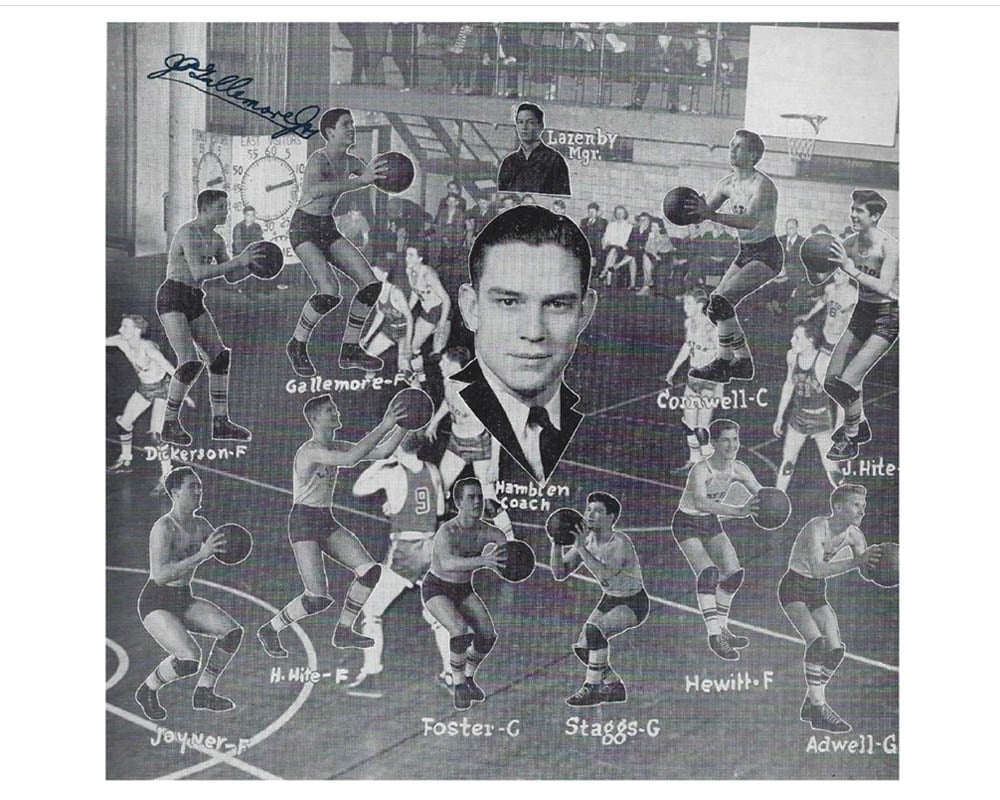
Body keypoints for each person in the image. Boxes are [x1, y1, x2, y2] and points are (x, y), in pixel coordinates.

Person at [256, 394, 407, 658]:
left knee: (370, 571)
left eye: (335, 407)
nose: (336, 411)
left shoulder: (337, 445)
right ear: (315, 419)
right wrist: (385, 424)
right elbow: (350, 459)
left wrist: (405, 424)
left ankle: (344, 630)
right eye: (329, 410)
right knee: (317, 598)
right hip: (303, 521)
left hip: (324, 519)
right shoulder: (310, 450)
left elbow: (382, 452)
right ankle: (270, 629)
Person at [454, 205, 597, 484]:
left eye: (557, 304)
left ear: (584, 312)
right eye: (508, 302)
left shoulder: (609, 425)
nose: (533, 332)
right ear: (471, 308)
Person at [156, 189, 269, 447]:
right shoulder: (187, 232)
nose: (225, 212)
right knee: (189, 363)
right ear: (205, 208)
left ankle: (221, 423)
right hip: (172, 296)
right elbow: (197, 272)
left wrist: (251, 267)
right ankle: (169, 424)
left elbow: (230, 276)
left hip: (194, 298)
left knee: (219, 358)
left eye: (226, 207)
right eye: (221, 207)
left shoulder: (217, 239)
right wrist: (239, 261)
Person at [285, 108, 389, 378]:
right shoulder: (317, 160)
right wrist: (360, 182)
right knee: (329, 290)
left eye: (352, 124)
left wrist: (385, 173)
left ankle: (350, 349)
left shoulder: (351, 160)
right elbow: (315, 190)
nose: (352, 128)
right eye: (346, 124)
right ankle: (297, 344)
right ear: (331, 132)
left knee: (371, 284)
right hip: (304, 228)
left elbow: (371, 174)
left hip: (326, 227)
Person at [134, 467, 245, 721]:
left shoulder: (201, 525)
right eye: (191, 487)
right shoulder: (163, 528)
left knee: (231, 633)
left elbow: (223, 547)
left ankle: (204, 692)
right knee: (189, 659)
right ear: (174, 493)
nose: (198, 491)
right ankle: (147, 689)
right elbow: (160, 575)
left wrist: (233, 545)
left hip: (183, 597)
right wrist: (201, 555)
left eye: (199, 486)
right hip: (156, 601)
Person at [347, 432, 454, 694]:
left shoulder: (392, 473)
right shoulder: (432, 469)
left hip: (407, 551)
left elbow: (358, 488)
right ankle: (453, 675)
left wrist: (380, 460)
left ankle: (372, 676)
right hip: (432, 547)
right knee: (436, 616)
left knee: (370, 611)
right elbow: (439, 510)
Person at [779, 484, 879, 733]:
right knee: (817, 643)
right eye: (856, 505)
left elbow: (865, 571)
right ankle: (820, 708)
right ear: (838, 507)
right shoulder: (817, 527)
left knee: (835, 651)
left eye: (863, 505)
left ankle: (811, 703)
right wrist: (857, 561)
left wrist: (880, 563)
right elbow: (817, 569)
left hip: (815, 591)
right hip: (794, 586)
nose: (862, 511)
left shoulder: (855, 535)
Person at [685, 129, 782, 384]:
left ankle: (724, 362)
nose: (732, 149)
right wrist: (687, 208)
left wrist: (710, 214)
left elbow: (749, 221)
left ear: (752, 155)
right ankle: (744, 362)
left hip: (767, 253)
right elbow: (704, 210)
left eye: (738, 147)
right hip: (747, 251)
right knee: (714, 307)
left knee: (721, 302)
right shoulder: (727, 183)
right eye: (731, 145)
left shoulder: (763, 186)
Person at [672, 419, 761, 661]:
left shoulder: (739, 468)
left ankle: (722, 628)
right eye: (726, 440)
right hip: (687, 523)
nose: (732, 445)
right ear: (714, 443)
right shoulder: (701, 470)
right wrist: (739, 511)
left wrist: (771, 504)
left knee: (733, 574)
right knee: (709, 573)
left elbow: (761, 493)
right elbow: (700, 502)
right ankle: (714, 636)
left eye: (735, 439)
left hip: (709, 522)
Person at [550, 492, 649, 706]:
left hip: (633, 602)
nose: (590, 515)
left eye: (597, 511)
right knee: (584, 648)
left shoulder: (619, 542)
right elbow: (560, 573)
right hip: (610, 598)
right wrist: (557, 544)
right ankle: (614, 686)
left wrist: (580, 548)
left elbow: (604, 573)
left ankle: (591, 688)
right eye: (588, 509)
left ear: (611, 517)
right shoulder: (587, 540)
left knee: (596, 631)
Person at [823, 190, 899, 461]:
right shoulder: (850, 243)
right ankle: (861, 423)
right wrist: (815, 263)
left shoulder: (889, 247)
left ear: (876, 216)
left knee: (849, 381)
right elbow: (822, 269)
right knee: (831, 382)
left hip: (888, 315)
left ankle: (851, 437)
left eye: (860, 211)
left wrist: (850, 268)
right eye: (853, 208)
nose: (853, 214)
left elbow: (883, 286)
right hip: (862, 312)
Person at [421, 478, 507, 710]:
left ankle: (468, 677)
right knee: (459, 630)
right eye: (471, 497)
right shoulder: (446, 531)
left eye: (479, 496)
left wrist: (501, 516)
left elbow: (508, 543)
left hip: (462, 589)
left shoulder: (486, 530)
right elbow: (448, 563)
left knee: (488, 635)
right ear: (458, 503)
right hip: (436, 588)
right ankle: (457, 684)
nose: (477, 501)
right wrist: (484, 561)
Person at [426, 347, 515, 538]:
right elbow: (447, 401)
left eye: (444, 362)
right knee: (438, 486)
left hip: (478, 444)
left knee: (488, 496)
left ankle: (509, 537)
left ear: (455, 366)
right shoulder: (448, 380)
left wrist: (494, 464)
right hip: (456, 442)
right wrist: (435, 422)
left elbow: (499, 429)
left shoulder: (476, 392)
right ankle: (437, 532)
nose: (440, 365)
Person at [106, 314, 191, 492]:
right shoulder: (121, 341)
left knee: (157, 435)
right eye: (121, 326)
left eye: (125, 327)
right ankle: (126, 459)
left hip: (162, 389)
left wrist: (184, 392)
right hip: (145, 388)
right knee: (123, 423)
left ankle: (166, 475)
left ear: (137, 331)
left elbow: (169, 367)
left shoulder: (149, 348)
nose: (121, 330)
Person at [773, 324, 844, 492]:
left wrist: (840, 428)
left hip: (821, 420)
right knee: (787, 463)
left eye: (796, 337)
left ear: (810, 340)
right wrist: (779, 417)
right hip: (798, 417)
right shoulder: (792, 356)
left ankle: (845, 498)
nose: (791, 341)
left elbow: (843, 399)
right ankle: (777, 499)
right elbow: (789, 384)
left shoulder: (823, 363)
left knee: (833, 469)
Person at [664, 288, 722, 472]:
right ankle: (694, 459)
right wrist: (674, 369)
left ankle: (712, 466)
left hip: (709, 379)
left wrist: (720, 387)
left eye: (689, 303)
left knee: (701, 428)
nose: (685, 307)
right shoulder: (689, 323)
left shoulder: (711, 328)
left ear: (700, 305)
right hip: (693, 377)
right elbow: (687, 346)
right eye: (684, 303)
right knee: (689, 423)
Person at [794, 267, 859, 392]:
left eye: (840, 274)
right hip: (825, 333)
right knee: (818, 366)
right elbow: (822, 303)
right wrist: (808, 315)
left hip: (838, 338)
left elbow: (855, 318)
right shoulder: (829, 288)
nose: (836, 277)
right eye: (836, 274)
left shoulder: (853, 295)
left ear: (848, 277)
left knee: (834, 371)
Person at [497, 103, 571, 196]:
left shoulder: (554, 160)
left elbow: (562, 198)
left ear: (541, 126)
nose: (524, 127)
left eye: (531, 122)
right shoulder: (509, 162)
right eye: (520, 122)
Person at [404, 244, 452, 384]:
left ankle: (447, 384)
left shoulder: (428, 274)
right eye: (407, 254)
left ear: (420, 258)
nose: (407, 258)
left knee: (438, 352)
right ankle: (421, 376)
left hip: (440, 310)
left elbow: (446, 299)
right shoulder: (410, 271)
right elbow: (415, 292)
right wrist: (406, 310)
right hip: (427, 311)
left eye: (411, 255)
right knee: (413, 347)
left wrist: (442, 322)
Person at [359, 261, 414, 382]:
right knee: (369, 357)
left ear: (384, 275)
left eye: (374, 274)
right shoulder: (377, 290)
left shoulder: (395, 292)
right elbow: (380, 314)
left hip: (404, 332)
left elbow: (409, 318)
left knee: (404, 368)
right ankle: (368, 383)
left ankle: (417, 390)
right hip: (389, 330)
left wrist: (408, 344)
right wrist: (367, 338)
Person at [599, 205, 633, 286]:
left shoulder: (628, 226)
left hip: (621, 249)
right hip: (610, 247)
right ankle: (608, 272)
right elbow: (607, 237)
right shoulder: (611, 225)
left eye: (621, 213)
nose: (619, 215)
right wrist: (610, 242)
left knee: (614, 250)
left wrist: (612, 241)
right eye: (617, 213)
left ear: (625, 214)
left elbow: (624, 240)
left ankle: (605, 271)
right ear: (615, 214)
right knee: (613, 250)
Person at [579, 203, 607, 268]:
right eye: (589, 212)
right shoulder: (584, 221)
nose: (591, 214)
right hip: (585, 243)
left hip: (596, 243)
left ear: (597, 212)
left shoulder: (602, 221)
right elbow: (581, 232)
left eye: (593, 212)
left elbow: (602, 232)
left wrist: (598, 218)